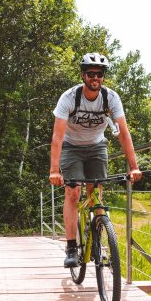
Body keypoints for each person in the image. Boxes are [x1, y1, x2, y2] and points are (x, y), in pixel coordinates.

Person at [49, 52, 142, 267]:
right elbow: (57, 137)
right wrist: (54, 170)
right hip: (72, 147)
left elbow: (123, 133)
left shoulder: (111, 98)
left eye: (99, 74)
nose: (95, 78)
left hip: (97, 146)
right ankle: (71, 248)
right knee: (73, 192)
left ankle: (97, 243)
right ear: (83, 75)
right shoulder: (69, 98)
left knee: (96, 195)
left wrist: (134, 167)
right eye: (91, 74)